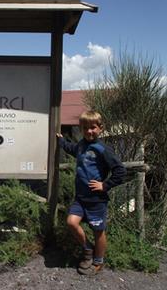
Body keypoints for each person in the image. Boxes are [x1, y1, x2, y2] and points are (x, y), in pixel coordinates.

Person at [56, 110, 126, 275]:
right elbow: (71, 148)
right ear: (81, 129)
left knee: (98, 231)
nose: (89, 131)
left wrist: (105, 185)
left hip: (96, 200)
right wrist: (61, 141)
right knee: (71, 222)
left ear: (100, 128)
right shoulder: (81, 145)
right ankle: (88, 249)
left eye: (93, 127)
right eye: (85, 128)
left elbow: (120, 171)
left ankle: (98, 261)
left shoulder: (102, 149)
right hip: (80, 198)